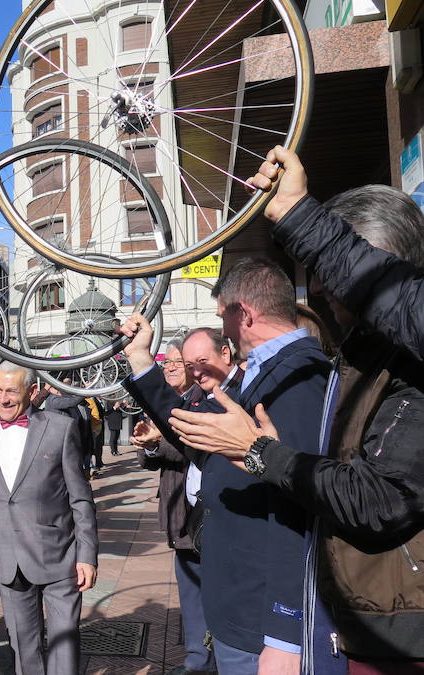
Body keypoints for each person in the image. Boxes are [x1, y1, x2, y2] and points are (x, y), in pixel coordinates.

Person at [169, 176, 424, 673]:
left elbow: (343, 505)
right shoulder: (359, 359)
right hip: (340, 618)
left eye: (333, 268)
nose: (321, 286)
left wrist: (286, 630)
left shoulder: (306, 374)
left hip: (384, 630)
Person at [121, 257, 330, 674]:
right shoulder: (269, 373)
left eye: (224, 317)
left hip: (258, 623)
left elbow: (301, 513)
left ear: (244, 313)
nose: (227, 332)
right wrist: (142, 359)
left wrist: (286, 633)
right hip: (238, 610)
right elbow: (191, 430)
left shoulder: (298, 377)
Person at [0, 360, 98, 675]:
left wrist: (87, 555)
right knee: (23, 649)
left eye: (12, 390)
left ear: (33, 391)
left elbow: (80, 497)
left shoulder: (59, 428)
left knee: (63, 646)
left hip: (60, 558)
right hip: (10, 561)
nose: (3, 398)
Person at [250, 145, 424, 360]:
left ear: (382, 254)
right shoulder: (361, 352)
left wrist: (297, 216)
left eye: (325, 271)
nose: (315, 287)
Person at [131, 339, 216, 675]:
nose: (169, 368)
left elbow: (189, 447)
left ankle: (210, 660)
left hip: (202, 512)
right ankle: (197, 659)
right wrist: (149, 447)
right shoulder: (156, 405)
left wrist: (159, 443)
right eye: (165, 363)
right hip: (178, 512)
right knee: (191, 594)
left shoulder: (200, 401)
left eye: (176, 362)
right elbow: (146, 458)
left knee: (210, 591)